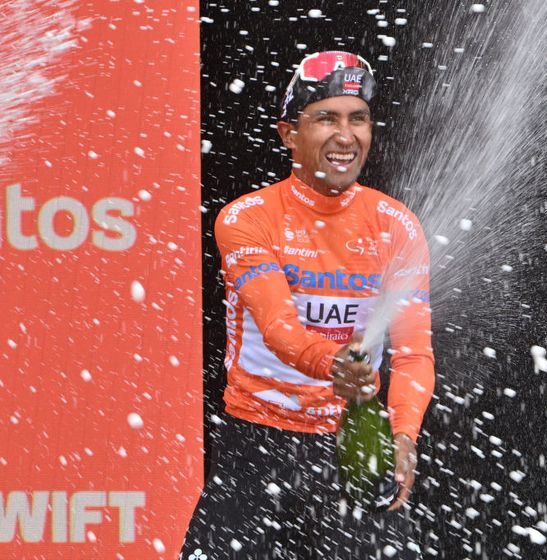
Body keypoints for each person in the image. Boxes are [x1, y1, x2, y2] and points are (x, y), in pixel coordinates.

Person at [180, 51, 435, 559]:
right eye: (326, 118)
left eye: (357, 118)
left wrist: (403, 436)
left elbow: (413, 354)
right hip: (254, 443)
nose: (346, 136)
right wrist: (331, 362)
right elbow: (279, 328)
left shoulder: (397, 224)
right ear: (288, 134)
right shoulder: (246, 217)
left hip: (353, 445)